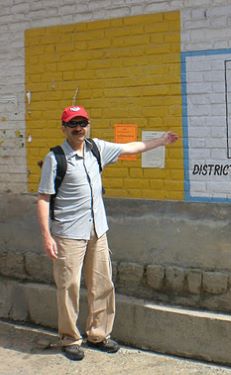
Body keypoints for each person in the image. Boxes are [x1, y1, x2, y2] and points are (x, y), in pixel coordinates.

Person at [36, 105, 178, 361]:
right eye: (72, 124)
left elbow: (130, 148)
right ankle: (70, 338)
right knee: (68, 286)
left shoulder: (96, 148)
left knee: (102, 284)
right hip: (68, 234)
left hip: (97, 230)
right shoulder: (55, 159)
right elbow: (44, 198)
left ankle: (98, 334)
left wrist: (162, 141)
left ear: (88, 125)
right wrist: (47, 236)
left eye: (82, 123)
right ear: (64, 128)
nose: (78, 128)